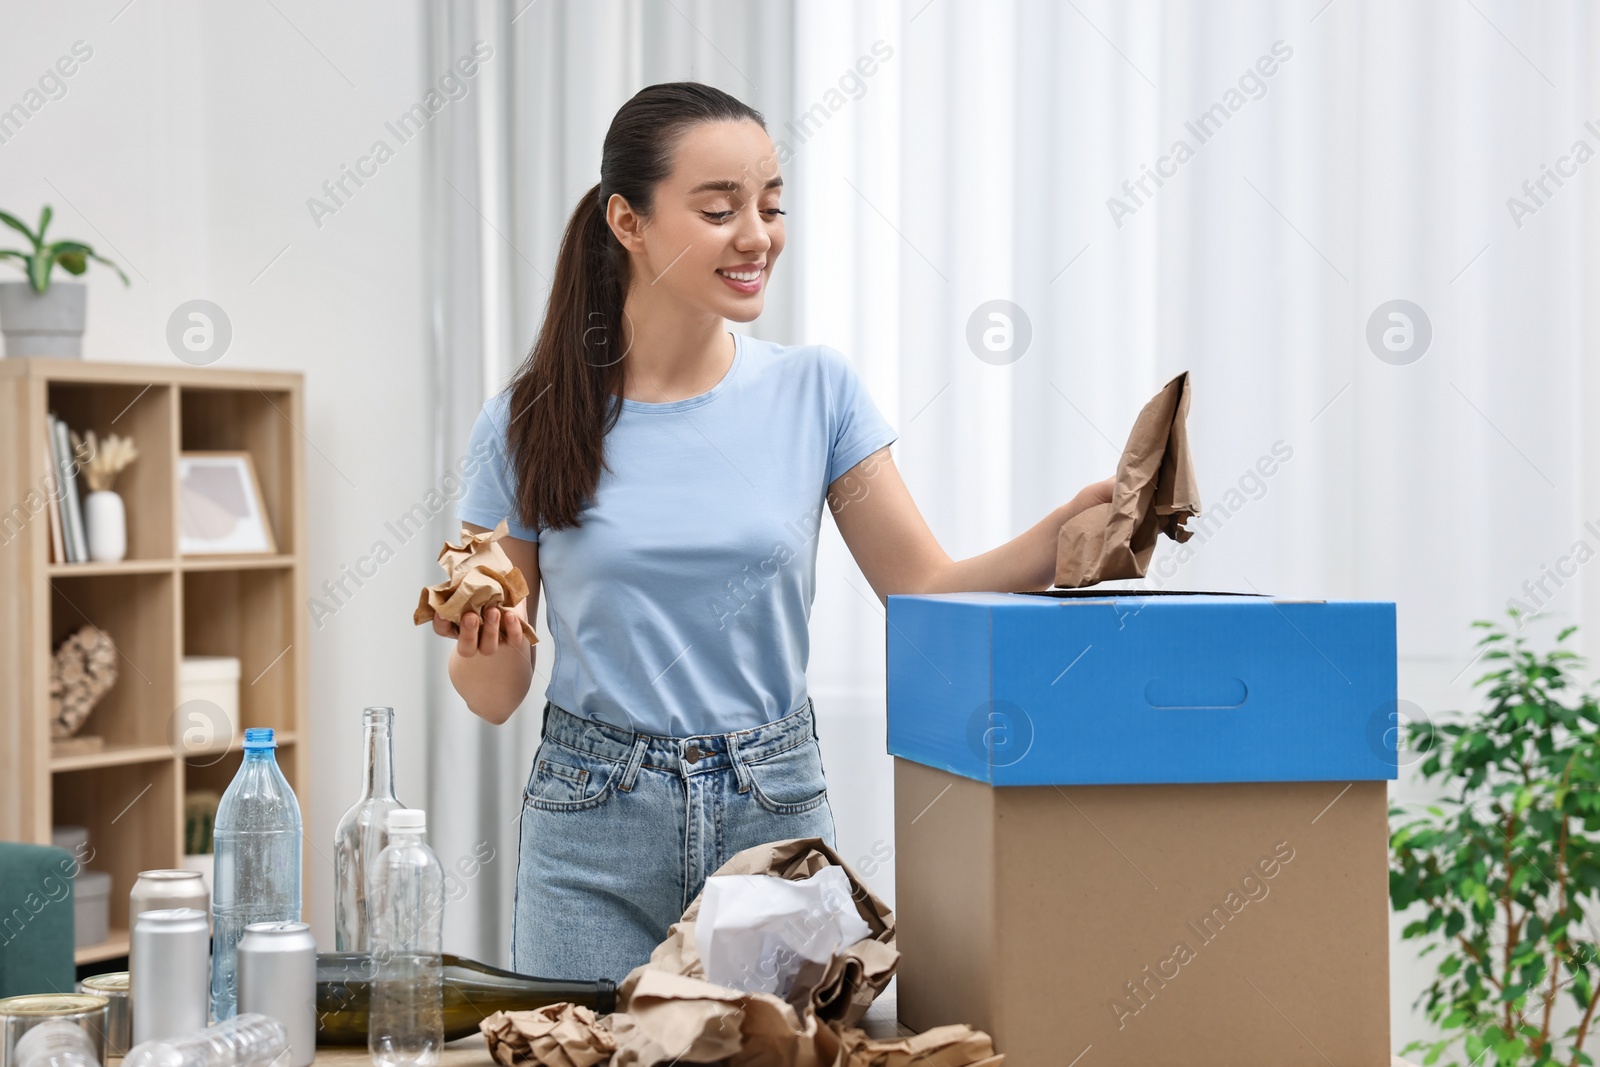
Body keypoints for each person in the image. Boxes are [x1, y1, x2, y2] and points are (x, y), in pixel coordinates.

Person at [436, 81, 1113, 983]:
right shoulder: (528, 420)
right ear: (627, 222)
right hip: (590, 823)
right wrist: (482, 638)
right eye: (720, 209)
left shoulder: (818, 392)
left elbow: (924, 590)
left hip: (773, 811)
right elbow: (494, 693)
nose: (757, 235)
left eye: (770, 205)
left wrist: (1065, 531)